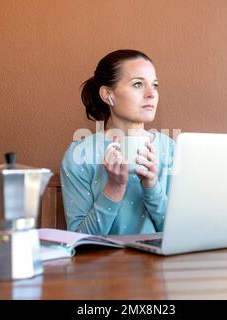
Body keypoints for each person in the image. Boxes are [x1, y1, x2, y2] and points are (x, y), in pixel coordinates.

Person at [60, 49, 174, 235]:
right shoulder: (79, 154)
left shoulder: (170, 150)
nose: (151, 94)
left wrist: (152, 186)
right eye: (138, 84)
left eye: (154, 85)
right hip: (103, 263)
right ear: (107, 95)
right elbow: (80, 239)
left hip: (158, 263)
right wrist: (114, 187)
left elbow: (179, 233)